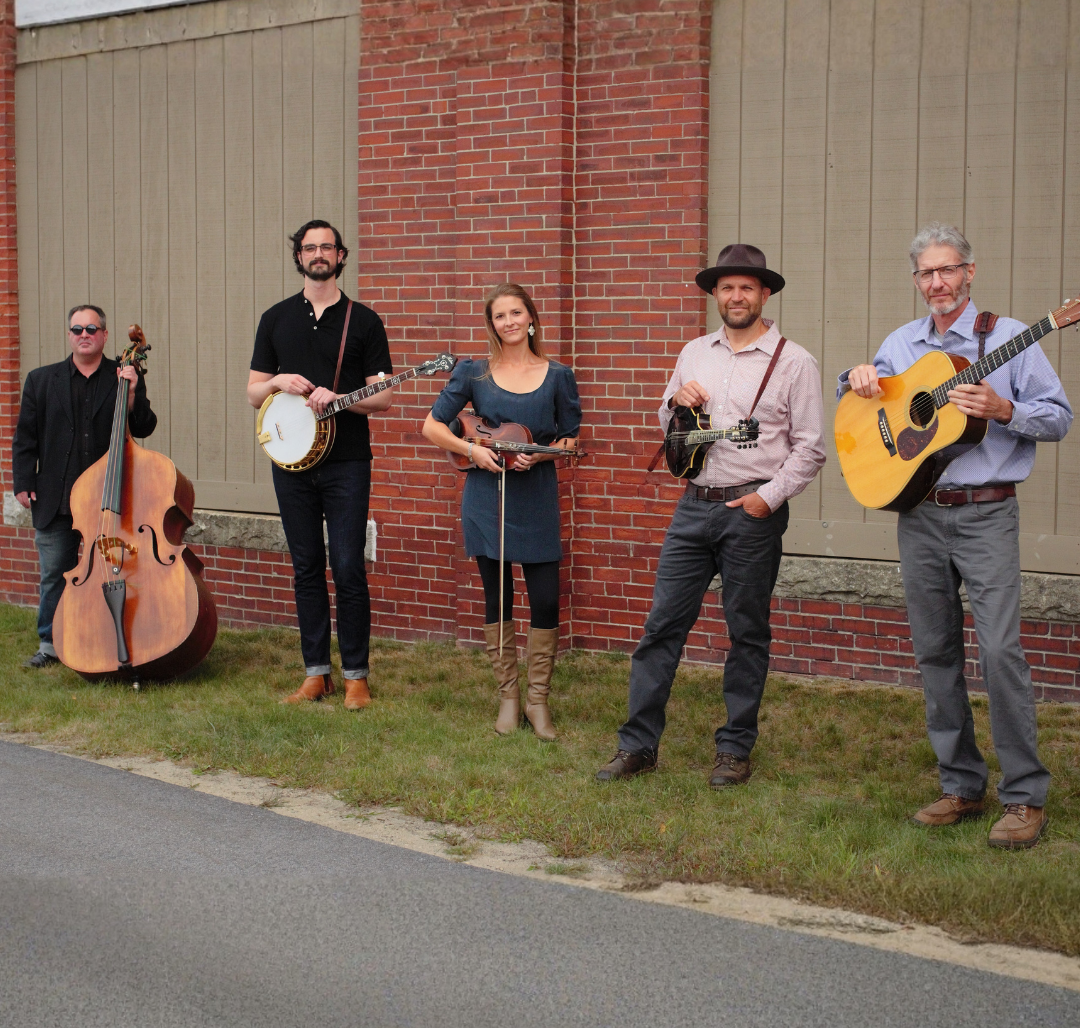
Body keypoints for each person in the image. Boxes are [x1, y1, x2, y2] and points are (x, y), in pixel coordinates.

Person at [841, 222, 1072, 849]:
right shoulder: (901, 341)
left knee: (1000, 652)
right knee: (935, 652)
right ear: (916, 280)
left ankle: (1024, 797)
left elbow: (1058, 418)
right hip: (919, 513)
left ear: (969, 272)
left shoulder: (1015, 337)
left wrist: (1005, 411)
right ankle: (961, 785)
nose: (936, 283)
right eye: (925, 273)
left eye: (947, 270)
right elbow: (866, 405)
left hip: (987, 512)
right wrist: (857, 376)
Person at [596, 244, 826, 785]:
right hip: (693, 506)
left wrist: (767, 498)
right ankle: (638, 745)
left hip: (753, 508)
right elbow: (668, 426)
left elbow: (811, 447)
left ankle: (734, 748)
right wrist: (676, 401)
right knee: (661, 627)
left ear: (764, 294)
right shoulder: (694, 351)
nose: (736, 296)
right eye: (726, 287)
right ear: (714, 295)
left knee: (746, 632)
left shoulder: (794, 360)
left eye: (746, 287)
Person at [422, 283, 581, 739]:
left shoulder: (557, 375)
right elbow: (432, 426)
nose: (509, 322)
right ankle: (509, 697)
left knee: (546, 597)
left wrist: (544, 454)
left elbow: (570, 439)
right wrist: (471, 452)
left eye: (517, 313)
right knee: (498, 596)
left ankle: (538, 701)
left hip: (536, 496)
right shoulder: (474, 373)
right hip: (486, 497)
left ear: (531, 318)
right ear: (491, 324)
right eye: (499, 316)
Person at [247, 220, 393, 709]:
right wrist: (277, 382)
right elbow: (252, 392)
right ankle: (316, 674)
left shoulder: (365, 320)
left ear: (340, 255)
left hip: (347, 462)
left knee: (348, 565)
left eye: (326, 247)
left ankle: (356, 676)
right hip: (290, 461)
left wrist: (344, 397)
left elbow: (386, 396)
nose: (317, 254)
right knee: (305, 566)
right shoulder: (275, 318)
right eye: (309, 247)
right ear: (298, 256)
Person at [12, 306, 157, 668]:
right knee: (55, 574)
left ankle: (110, 634)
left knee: (116, 571)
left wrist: (135, 391)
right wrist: (23, 482)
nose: (84, 334)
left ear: (104, 336)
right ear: (69, 335)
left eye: (91, 328)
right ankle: (50, 642)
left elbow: (143, 427)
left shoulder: (124, 374)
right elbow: (24, 438)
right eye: (77, 329)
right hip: (57, 496)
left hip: (110, 497)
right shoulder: (41, 380)